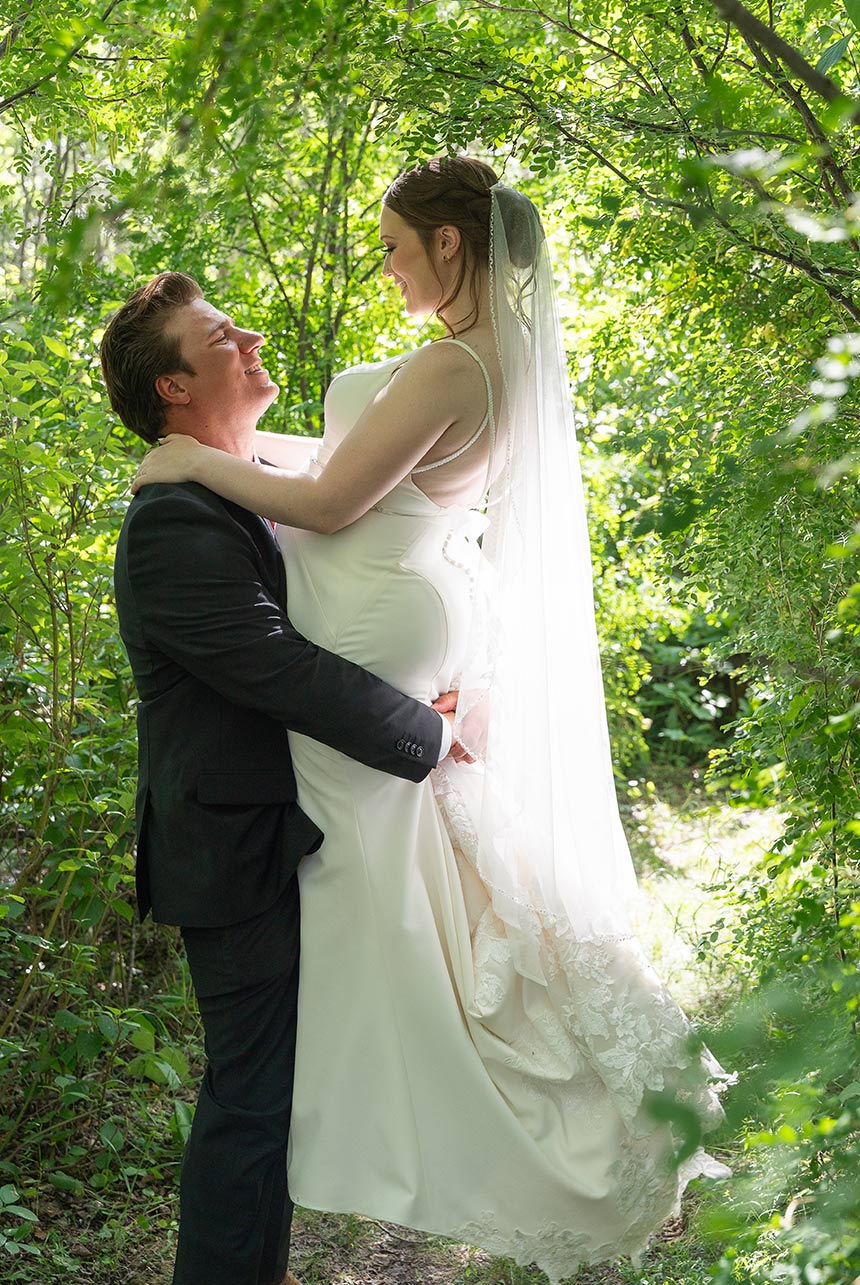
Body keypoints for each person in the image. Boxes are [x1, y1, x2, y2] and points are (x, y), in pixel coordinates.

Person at [132, 157, 732, 1283]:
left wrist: (199, 461)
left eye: (396, 246)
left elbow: (331, 502)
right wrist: (218, 462)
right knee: (309, 1041)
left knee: (354, 1002)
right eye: (220, 338)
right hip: (296, 768)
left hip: (345, 732)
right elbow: (337, 503)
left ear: (450, 244)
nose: (387, 265)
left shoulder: (454, 364)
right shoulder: (478, 366)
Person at [103, 271, 471, 1285]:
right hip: (238, 848)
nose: (252, 336)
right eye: (222, 336)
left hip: (305, 828)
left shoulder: (246, 485)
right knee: (253, 1100)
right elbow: (275, 667)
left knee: (281, 1095)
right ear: (175, 388)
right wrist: (428, 736)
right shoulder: (172, 521)